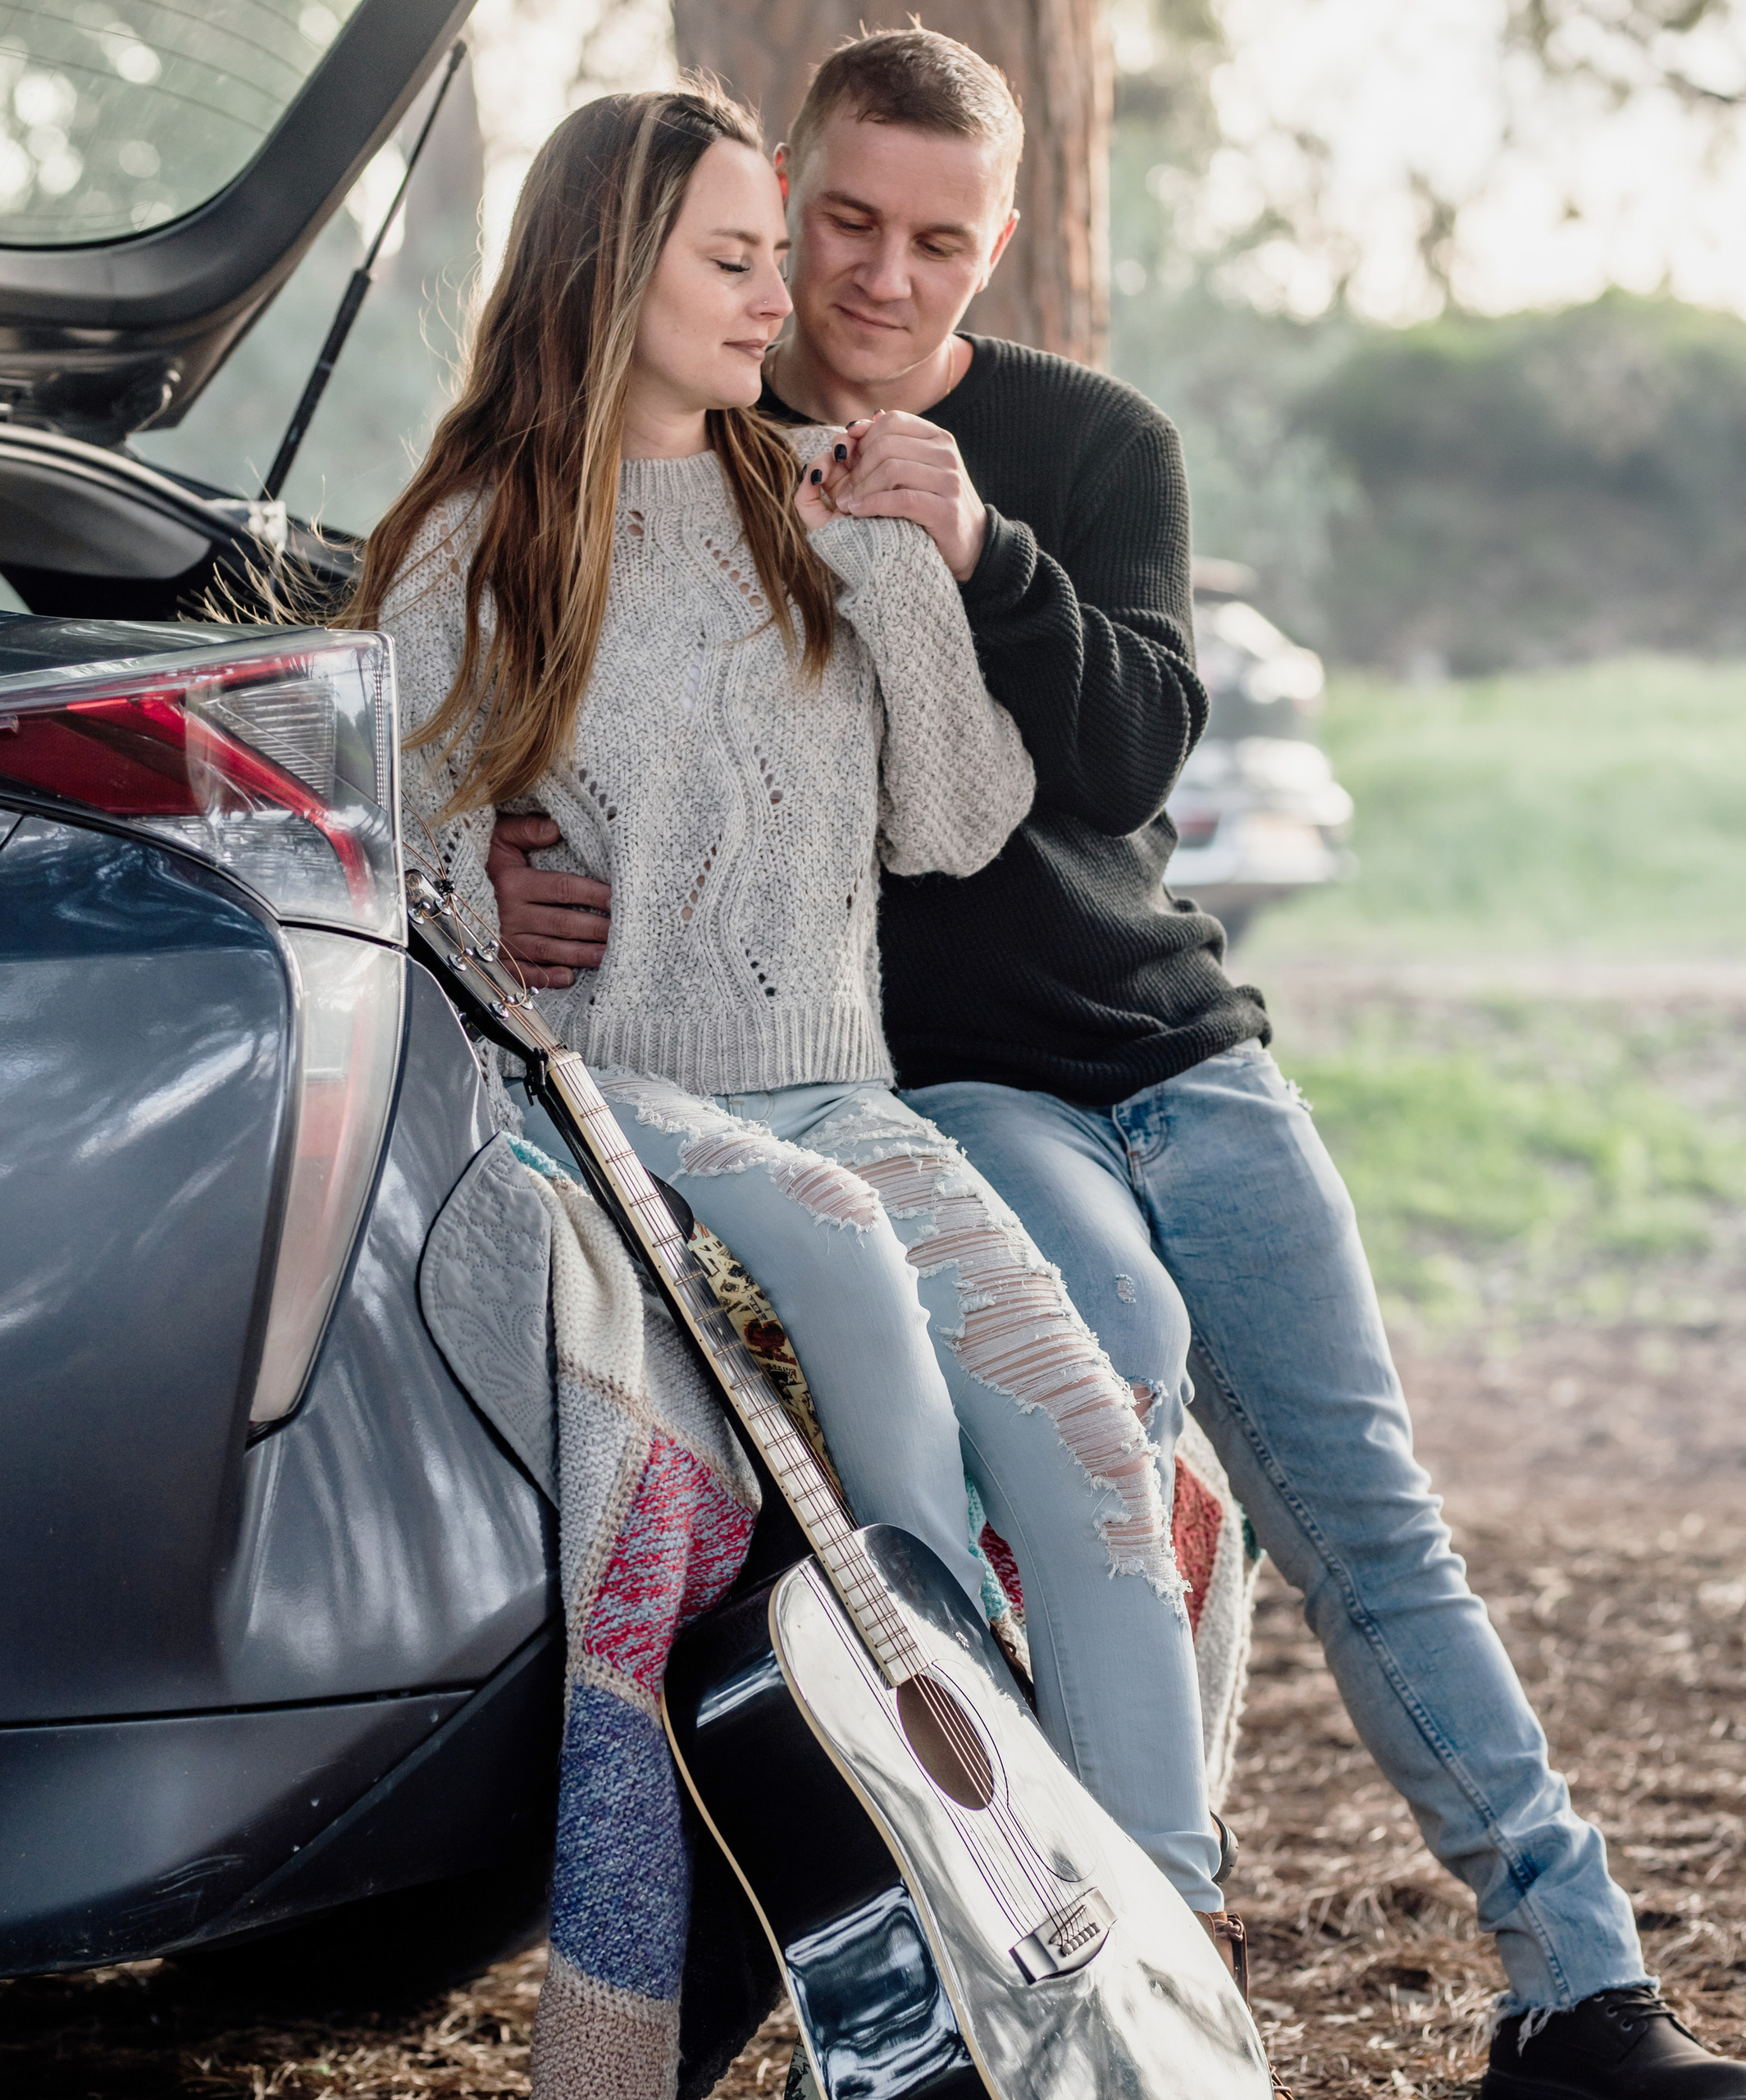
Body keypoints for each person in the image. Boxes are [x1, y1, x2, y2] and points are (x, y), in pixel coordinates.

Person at [486, 30, 1746, 2100]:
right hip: (951, 1087)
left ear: (997, 247)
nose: (880, 282)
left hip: (1179, 1045)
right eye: (838, 230)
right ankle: (1078, 1957)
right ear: (776, 210)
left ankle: (1574, 1986)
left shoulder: (1085, 444)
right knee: (1113, 1385)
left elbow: (1131, 757)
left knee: (1368, 1506)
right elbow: (542, 659)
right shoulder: (712, 454)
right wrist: (514, 843)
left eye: (937, 246)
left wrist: (982, 553)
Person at [355, 82, 1243, 1949]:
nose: (783, 300)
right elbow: (401, 887)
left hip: (842, 1093)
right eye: (737, 258)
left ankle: (1153, 1967)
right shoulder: (474, 540)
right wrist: (483, 879)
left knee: (1090, 1438)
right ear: (613, 271)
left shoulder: (809, 501)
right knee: (838, 1240)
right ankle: (966, 1814)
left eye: (779, 257)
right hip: (610, 1094)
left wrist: (911, 564)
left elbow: (955, 818)